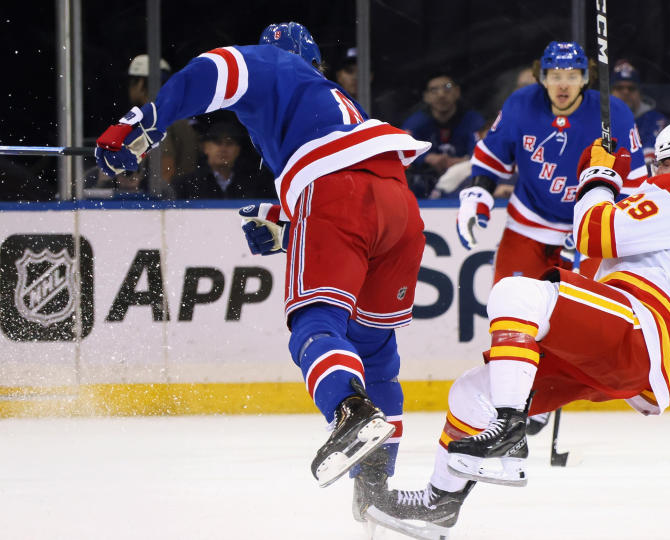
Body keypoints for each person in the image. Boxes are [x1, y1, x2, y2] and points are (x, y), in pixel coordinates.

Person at [93, 21, 430, 522]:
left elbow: (215, 68)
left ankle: (349, 410)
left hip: (338, 193)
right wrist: (292, 228)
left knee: (315, 324)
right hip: (400, 208)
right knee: (376, 351)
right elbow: (359, 200)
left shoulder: (273, 64)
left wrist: (144, 122)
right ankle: (376, 489)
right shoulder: (335, 102)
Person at [366, 115, 670, 538]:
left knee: (516, 292)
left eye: (665, 164)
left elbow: (593, 233)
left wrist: (599, 177)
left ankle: (509, 430)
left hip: (637, 337)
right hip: (633, 369)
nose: (656, 175)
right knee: (471, 392)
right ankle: (439, 503)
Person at [457, 41, 645, 283]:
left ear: (585, 78)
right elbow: (493, 157)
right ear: (542, 78)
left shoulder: (614, 113)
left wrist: (592, 228)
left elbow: (634, 184)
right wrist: (477, 195)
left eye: (572, 76)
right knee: (511, 311)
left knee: (587, 316)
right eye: (555, 76)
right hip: (528, 224)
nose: (563, 84)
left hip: (590, 232)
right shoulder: (520, 104)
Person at [402, 74, 485, 198]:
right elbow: (402, 150)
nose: (441, 94)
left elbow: (484, 153)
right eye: (434, 90)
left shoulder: (474, 121)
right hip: (423, 183)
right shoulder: (415, 122)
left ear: (457, 92)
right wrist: (426, 158)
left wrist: (462, 161)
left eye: (447, 87)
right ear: (426, 96)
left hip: (463, 183)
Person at [127, 54, 201, 184]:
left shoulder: (158, 117)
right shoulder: (175, 112)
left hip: (170, 199)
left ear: (141, 83)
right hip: (183, 196)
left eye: (133, 81)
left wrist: (155, 201)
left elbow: (165, 169)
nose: (130, 88)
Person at [171, 120, 275, 199]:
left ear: (238, 149)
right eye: (217, 143)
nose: (223, 149)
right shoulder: (185, 184)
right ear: (205, 147)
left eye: (229, 143)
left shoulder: (255, 184)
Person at [611, 59, 666, 167]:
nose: (626, 92)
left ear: (639, 92)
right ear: (610, 92)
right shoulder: (599, 119)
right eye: (619, 88)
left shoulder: (655, 119)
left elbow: (652, 157)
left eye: (631, 88)